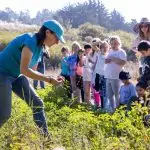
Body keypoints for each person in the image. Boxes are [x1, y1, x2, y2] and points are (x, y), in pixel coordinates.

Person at [0, 20, 65, 136]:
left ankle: (46, 140)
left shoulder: (40, 48)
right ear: (48, 32)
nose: (57, 42)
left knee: (37, 104)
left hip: (16, 76)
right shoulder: (30, 40)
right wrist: (49, 80)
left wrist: (52, 77)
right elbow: (24, 70)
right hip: (2, 73)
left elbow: (32, 71)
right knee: (4, 114)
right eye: (57, 38)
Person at [104, 36, 127, 112]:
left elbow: (123, 62)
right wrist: (107, 60)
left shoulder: (121, 52)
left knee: (117, 95)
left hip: (116, 77)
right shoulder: (109, 51)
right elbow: (106, 61)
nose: (114, 44)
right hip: (108, 76)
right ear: (110, 44)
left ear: (119, 43)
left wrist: (113, 59)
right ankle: (112, 110)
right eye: (112, 43)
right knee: (110, 95)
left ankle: (118, 110)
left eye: (115, 43)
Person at [93, 41, 109, 108]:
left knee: (105, 93)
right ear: (100, 48)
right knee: (100, 92)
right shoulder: (98, 53)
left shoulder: (109, 55)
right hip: (98, 76)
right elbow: (93, 45)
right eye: (103, 47)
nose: (105, 48)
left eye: (106, 47)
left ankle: (105, 107)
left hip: (106, 76)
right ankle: (102, 107)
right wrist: (100, 42)